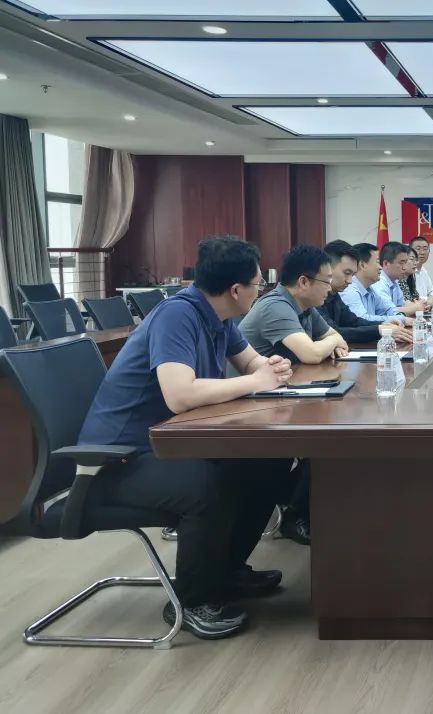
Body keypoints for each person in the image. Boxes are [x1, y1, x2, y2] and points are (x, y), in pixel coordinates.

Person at [77, 235, 296, 640]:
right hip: (117, 459)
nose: (261, 291)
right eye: (258, 284)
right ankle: (193, 600)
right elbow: (179, 395)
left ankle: (225, 572)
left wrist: (272, 368)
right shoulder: (177, 315)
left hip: (167, 445)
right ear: (236, 290)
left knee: (266, 462)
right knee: (207, 485)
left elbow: (252, 363)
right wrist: (257, 380)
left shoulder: (219, 316)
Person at [238, 244, 349, 365]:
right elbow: (312, 355)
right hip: (255, 377)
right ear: (303, 282)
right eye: (327, 282)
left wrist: (332, 342)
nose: (329, 288)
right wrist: (334, 341)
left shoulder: (306, 305)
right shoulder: (275, 306)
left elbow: (335, 336)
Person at [319, 240, 412, 346]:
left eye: (352, 274)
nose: (350, 281)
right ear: (328, 269)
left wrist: (383, 324)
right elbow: (332, 332)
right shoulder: (316, 297)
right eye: (347, 273)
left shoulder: (334, 294)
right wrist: (379, 330)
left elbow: (354, 322)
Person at [340, 243, 412, 326]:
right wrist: (399, 319)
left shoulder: (370, 289)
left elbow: (388, 310)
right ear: (362, 265)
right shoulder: (349, 290)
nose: (380, 267)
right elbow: (361, 320)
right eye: (377, 262)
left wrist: (400, 316)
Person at [371, 241, 424, 317]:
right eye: (401, 263)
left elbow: (402, 304)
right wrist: (417, 307)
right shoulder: (379, 282)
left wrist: (420, 305)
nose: (404, 267)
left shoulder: (394, 281)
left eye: (405, 263)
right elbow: (388, 312)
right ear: (386, 263)